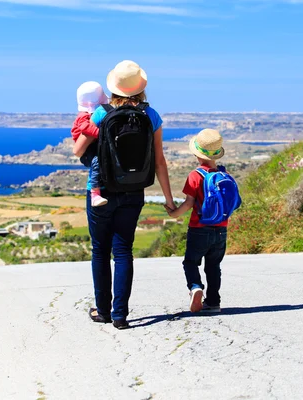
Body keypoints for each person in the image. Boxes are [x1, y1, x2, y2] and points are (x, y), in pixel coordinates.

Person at [78, 60, 175, 330]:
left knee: (100, 251)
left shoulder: (102, 113)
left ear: (114, 89)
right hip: (134, 191)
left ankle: (103, 311)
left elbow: (78, 150)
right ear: (140, 88)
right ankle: (120, 315)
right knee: (123, 252)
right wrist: (168, 199)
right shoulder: (151, 115)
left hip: (101, 192)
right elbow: (159, 161)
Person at [166, 129, 231, 314]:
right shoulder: (223, 175)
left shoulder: (195, 175)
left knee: (191, 262)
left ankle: (195, 287)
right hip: (221, 229)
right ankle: (213, 302)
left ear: (196, 154)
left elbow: (189, 203)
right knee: (213, 266)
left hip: (199, 228)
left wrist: (174, 214)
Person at [70, 81, 109, 207]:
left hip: (93, 144)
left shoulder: (93, 114)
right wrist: (102, 135)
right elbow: (86, 128)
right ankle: (95, 193)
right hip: (88, 150)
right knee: (97, 162)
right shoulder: (83, 116)